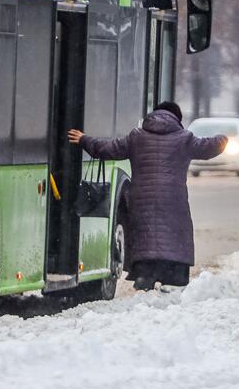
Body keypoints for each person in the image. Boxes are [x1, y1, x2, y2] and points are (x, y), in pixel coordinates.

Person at [68, 102, 228, 291]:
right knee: (172, 235)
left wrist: (84, 140)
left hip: (141, 200)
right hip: (173, 201)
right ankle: (172, 275)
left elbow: (108, 148)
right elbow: (210, 147)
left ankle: (145, 274)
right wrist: (223, 138)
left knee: (146, 234)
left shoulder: (137, 137)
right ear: (176, 118)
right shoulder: (184, 138)